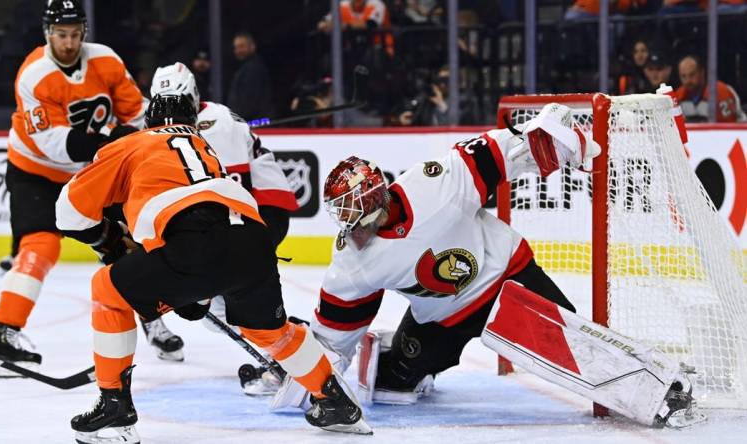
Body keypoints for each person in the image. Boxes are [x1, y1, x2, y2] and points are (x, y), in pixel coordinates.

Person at [272, 102, 704, 428]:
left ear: (373, 201)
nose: (346, 224)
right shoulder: (354, 262)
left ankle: (659, 390)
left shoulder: (433, 182)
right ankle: (391, 355)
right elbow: (333, 337)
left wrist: (546, 140)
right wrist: (305, 372)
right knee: (396, 381)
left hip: (506, 277)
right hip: (442, 317)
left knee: (567, 343)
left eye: (351, 211)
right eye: (340, 213)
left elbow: (500, 152)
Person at [55, 92, 371, 443]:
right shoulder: (204, 146)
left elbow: (68, 212)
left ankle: (115, 409)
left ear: (149, 122)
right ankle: (336, 403)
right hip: (253, 241)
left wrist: (110, 241)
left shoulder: (133, 143)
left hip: (193, 244)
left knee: (106, 289)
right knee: (270, 331)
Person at [0, 0, 146, 378]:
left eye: (74, 34)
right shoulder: (34, 74)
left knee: (128, 240)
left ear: (83, 33)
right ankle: (3, 334)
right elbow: (52, 143)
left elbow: (136, 114)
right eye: (60, 35)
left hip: (91, 172)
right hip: (35, 171)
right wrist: (111, 141)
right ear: (47, 34)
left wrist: (140, 134)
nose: (68, 43)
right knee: (41, 245)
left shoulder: (106, 60)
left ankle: (154, 319)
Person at [148, 62, 300, 384]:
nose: (170, 115)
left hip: (263, 210)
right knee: (218, 308)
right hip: (240, 213)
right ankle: (289, 347)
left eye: (178, 104)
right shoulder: (172, 129)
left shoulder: (216, 125)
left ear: (192, 97)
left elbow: (234, 194)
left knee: (231, 296)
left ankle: (291, 355)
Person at [676, 55, 746, 122]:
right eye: (683, 76)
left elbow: (729, 127)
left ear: (702, 72)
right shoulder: (679, 96)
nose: (688, 80)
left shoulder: (720, 91)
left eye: (692, 75)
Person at [226, 32, 274, 122]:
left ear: (252, 47)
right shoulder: (246, 67)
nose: (238, 51)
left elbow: (249, 103)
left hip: (254, 124)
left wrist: (234, 120)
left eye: (241, 46)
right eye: (236, 47)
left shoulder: (253, 68)